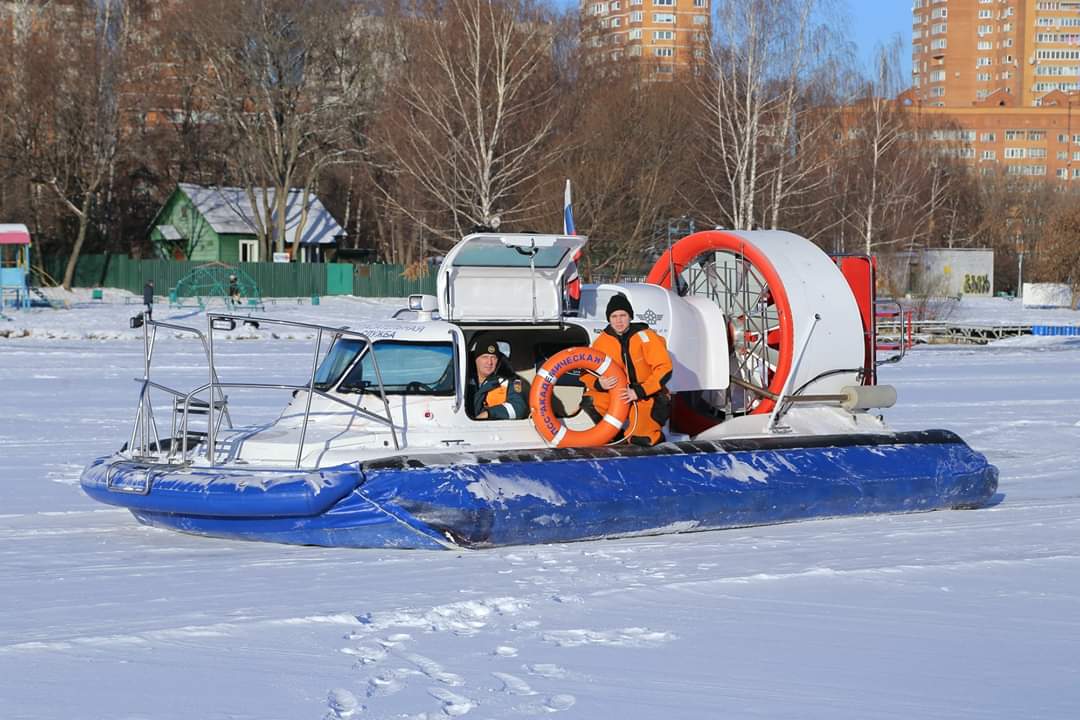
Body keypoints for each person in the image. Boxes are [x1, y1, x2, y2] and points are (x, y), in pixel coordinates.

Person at [581, 293, 673, 446]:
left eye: (623, 315)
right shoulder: (601, 342)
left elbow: (664, 369)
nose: (619, 320)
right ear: (609, 319)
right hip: (617, 394)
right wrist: (599, 383)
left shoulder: (647, 337)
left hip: (647, 395)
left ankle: (653, 438)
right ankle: (614, 438)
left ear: (630, 317)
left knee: (642, 439)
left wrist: (639, 391)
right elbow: (586, 373)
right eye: (614, 316)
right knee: (590, 401)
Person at [467, 341, 529, 420]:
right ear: (475, 359)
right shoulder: (462, 380)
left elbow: (519, 408)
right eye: (485, 357)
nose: (489, 362)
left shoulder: (512, 381)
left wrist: (489, 413)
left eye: (493, 357)